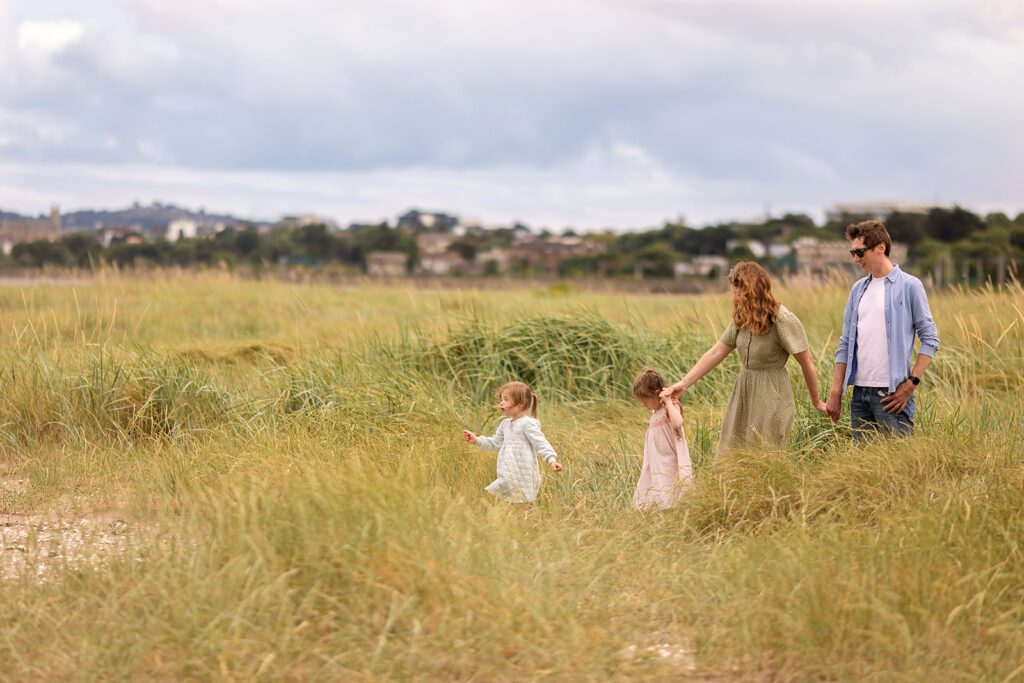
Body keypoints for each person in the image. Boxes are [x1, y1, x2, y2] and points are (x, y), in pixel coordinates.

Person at [661, 261, 827, 457]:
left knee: (763, 456)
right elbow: (715, 353)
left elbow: (806, 361)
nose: (735, 297)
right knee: (732, 454)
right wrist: (684, 384)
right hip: (744, 392)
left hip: (772, 394)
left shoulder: (782, 320)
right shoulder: (742, 317)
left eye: (738, 291)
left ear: (751, 289)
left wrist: (816, 401)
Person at [825, 219, 939, 440]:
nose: (856, 259)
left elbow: (931, 339)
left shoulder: (910, 286)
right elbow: (845, 342)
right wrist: (836, 391)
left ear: (881, 248)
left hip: (892, 395)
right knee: (864, 469)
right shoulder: (858, 289)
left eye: (860, 252)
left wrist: (911, 384)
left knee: (898, 468)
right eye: (853, 253)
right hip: (860, 395)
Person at [463, 381, 563, 504]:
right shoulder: (505, 424)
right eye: (501, 399)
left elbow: (541, 443)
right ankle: (504, 521)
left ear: (521, 403)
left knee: (522, 503)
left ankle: (524, 521)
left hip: (524, 474)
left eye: (506, 399)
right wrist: (477, 440)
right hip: (507, 474)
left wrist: (552, 460)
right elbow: (494, 443)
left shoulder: (527, 424)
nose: (501, 402)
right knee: (496, 497)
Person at [631, 369, 693, 510]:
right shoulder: (655, 413)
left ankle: (672, 511)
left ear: (656, 393)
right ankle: (660, 510)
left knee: (670, 487)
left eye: (646, 402)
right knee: (657, 487)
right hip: (657, 460)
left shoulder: (669, 408)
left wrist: (668, 401)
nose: (644, 406)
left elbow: (678, 422)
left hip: (669, 459)